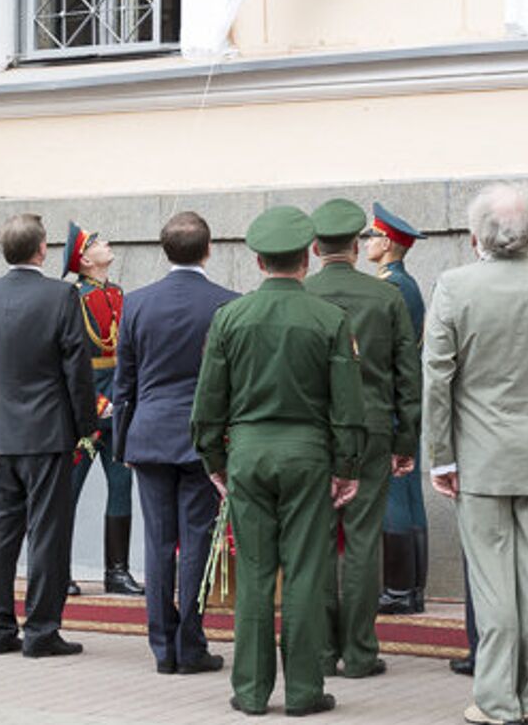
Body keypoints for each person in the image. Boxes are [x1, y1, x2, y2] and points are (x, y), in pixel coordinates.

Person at [423, 184, 528, 725]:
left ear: (476, 236)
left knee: (492, 583)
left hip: (479, 459)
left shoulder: (454, 286)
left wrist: (440, 455)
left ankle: (497, 701)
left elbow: (437, 381)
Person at [191, 205, 365, 718]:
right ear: (306, 259)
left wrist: (214, 460)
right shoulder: (330, 319)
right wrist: (348, 467)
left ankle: (250, 691)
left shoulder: (229, 318)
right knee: (307, 573)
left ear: (259, 261)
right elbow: (347, 406)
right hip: (309, 455)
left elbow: (208, 402)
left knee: (255, 573)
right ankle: (306, 691)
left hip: (247, 454)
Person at [0, 213, 97, 659]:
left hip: (0, 435)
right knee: (47, 535)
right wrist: (85, 428)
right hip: (48, 434)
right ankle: (40, 631)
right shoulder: (61, 297)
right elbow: (77, 369)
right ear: (42, 250)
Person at [113, 211, 239, 676]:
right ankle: (191, 644)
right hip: (203, 441)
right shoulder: (227, 303)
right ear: (210, 249)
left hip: (148, 435)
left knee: (158, 543)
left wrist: (122, 446)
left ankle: (163, 648)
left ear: (164, 251)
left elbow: (124, 382)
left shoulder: (138, 302)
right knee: (197, 542)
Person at [304, 199, 419, 681]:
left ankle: (325, 649)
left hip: (314, 431)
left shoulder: (302, 294)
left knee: (320, 540)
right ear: (355, 246)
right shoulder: (386, 297)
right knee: (363, 540)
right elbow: (405, 377)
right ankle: (359, 649)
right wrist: (406, 441)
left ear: (313, 248)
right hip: (372, 427)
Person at [63, 222, 142, 597]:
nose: (107, 243)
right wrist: (94, 403)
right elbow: (70, 357)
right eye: (97, 243)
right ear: (84, 259)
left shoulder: (117, 293)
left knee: (122, 485)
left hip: (120, 399)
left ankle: (117, 571)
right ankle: (57, 568)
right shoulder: (73, 297)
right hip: (87, 402)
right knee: (69, 490)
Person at [365, 202, 431, 619]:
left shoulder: (393, 287)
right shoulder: (400, 284)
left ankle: (400, 589)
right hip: (399, 396)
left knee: (395, 495)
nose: (365, 243)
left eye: (369, 236)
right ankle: (409, 588)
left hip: (389, 398)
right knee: (405, 493)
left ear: (387, 242)